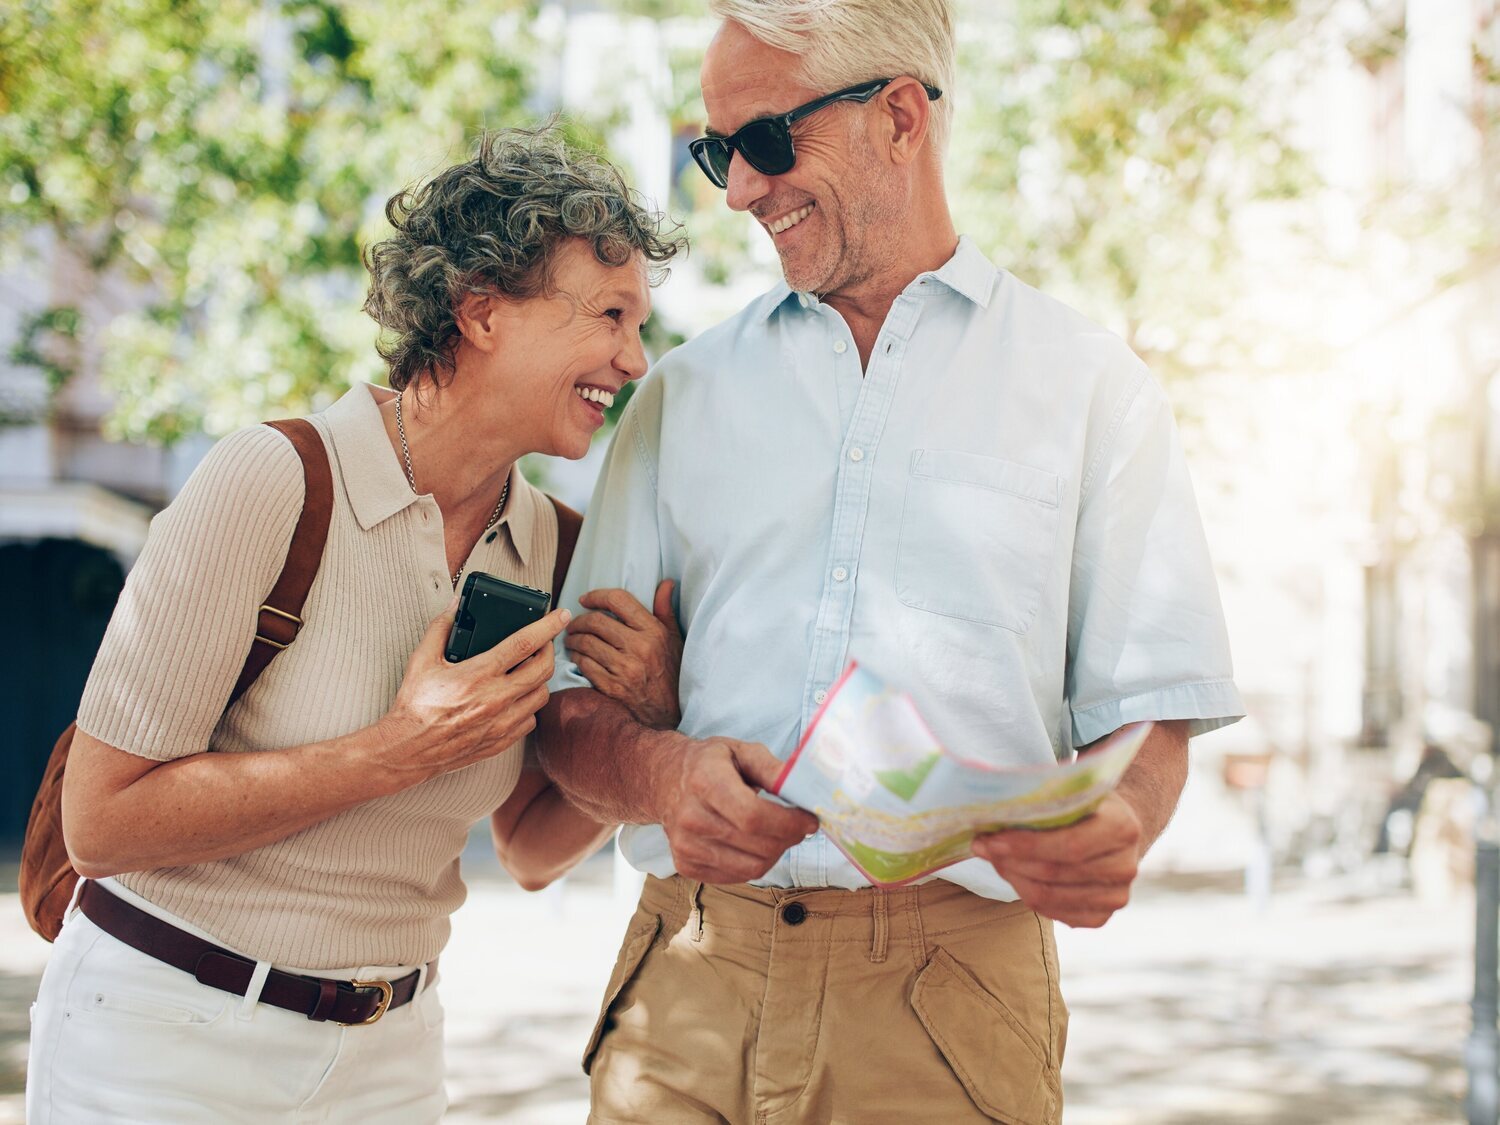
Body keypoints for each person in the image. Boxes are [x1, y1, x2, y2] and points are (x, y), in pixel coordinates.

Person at [536, 2, 1246, 1122]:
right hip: (686, 986)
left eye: (766, 142)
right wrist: (663, 777)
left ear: (901, 118)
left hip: (948, 1005)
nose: (738, 191)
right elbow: (569, 715)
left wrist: (1123, 824)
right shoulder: (681, 395)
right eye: (716, 153)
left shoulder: (1091, 389)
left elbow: (1150, 716)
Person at [25, 127, 687, 1123]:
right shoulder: (274, 481)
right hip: (161, 1041)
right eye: (609, 315)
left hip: (391, 1060)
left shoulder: (557, 551)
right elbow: (103, 821)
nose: (634, 360)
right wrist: (397, 752)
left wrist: (651, 714)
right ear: (482, 311)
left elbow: (533, 851)